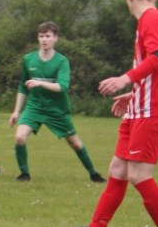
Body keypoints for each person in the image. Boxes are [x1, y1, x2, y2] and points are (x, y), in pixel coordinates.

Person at [58, 0, 158, 227]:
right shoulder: (154, 19)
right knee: (118, 168)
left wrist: (125, 79)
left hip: (152, 111)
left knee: (139, 174)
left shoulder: (151, 17)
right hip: (142, 107)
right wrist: (134, 92)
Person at [8, 21, 105, 183]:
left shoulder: (61, 61)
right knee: (19, 137)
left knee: (75, 143)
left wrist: (39, 83)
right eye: (41, 36)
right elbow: (22, 86)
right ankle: (24, 174)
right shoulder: (28, 59)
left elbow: (62, 87)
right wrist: (16, 111)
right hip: (35, 107)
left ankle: (93, 173)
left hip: (57, 109)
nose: (44, 39)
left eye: (48, 36)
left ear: (55, 38)